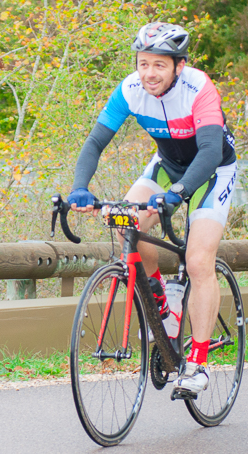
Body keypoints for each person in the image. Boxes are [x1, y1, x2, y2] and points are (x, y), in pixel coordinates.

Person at [68, 22, 237, 397]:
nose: (149, 73)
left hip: (212, 171)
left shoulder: (199, 87)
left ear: (179, 65)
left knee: (198, 261)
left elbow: (210, 151)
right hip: (167, 166)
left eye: (159, 64)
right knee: (124, 221)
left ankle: (198, 363)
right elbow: (95, 142)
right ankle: (164, 301)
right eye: (143, 63)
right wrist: (80, 188)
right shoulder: (130, 90)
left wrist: (179, 192)